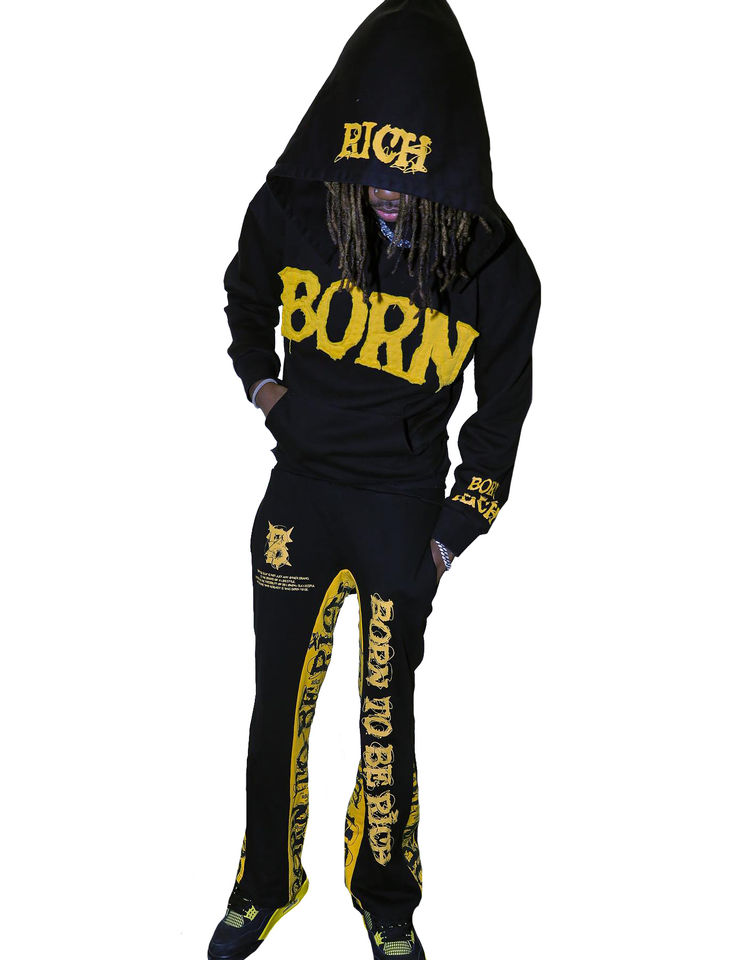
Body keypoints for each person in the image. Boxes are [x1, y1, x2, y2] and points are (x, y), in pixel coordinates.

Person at [207, 1, 541, 958]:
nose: (389, 194)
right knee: (277, 709)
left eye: (411, 177)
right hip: (299, 499)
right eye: (374, 172)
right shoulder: (295, 209)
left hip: (401, 515)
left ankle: (386, 900)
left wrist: (449, 536)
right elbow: (242, 297)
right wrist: (264, 387)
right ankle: (263, 886)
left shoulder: (493, 267)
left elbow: (499, 424)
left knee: (386, 720)